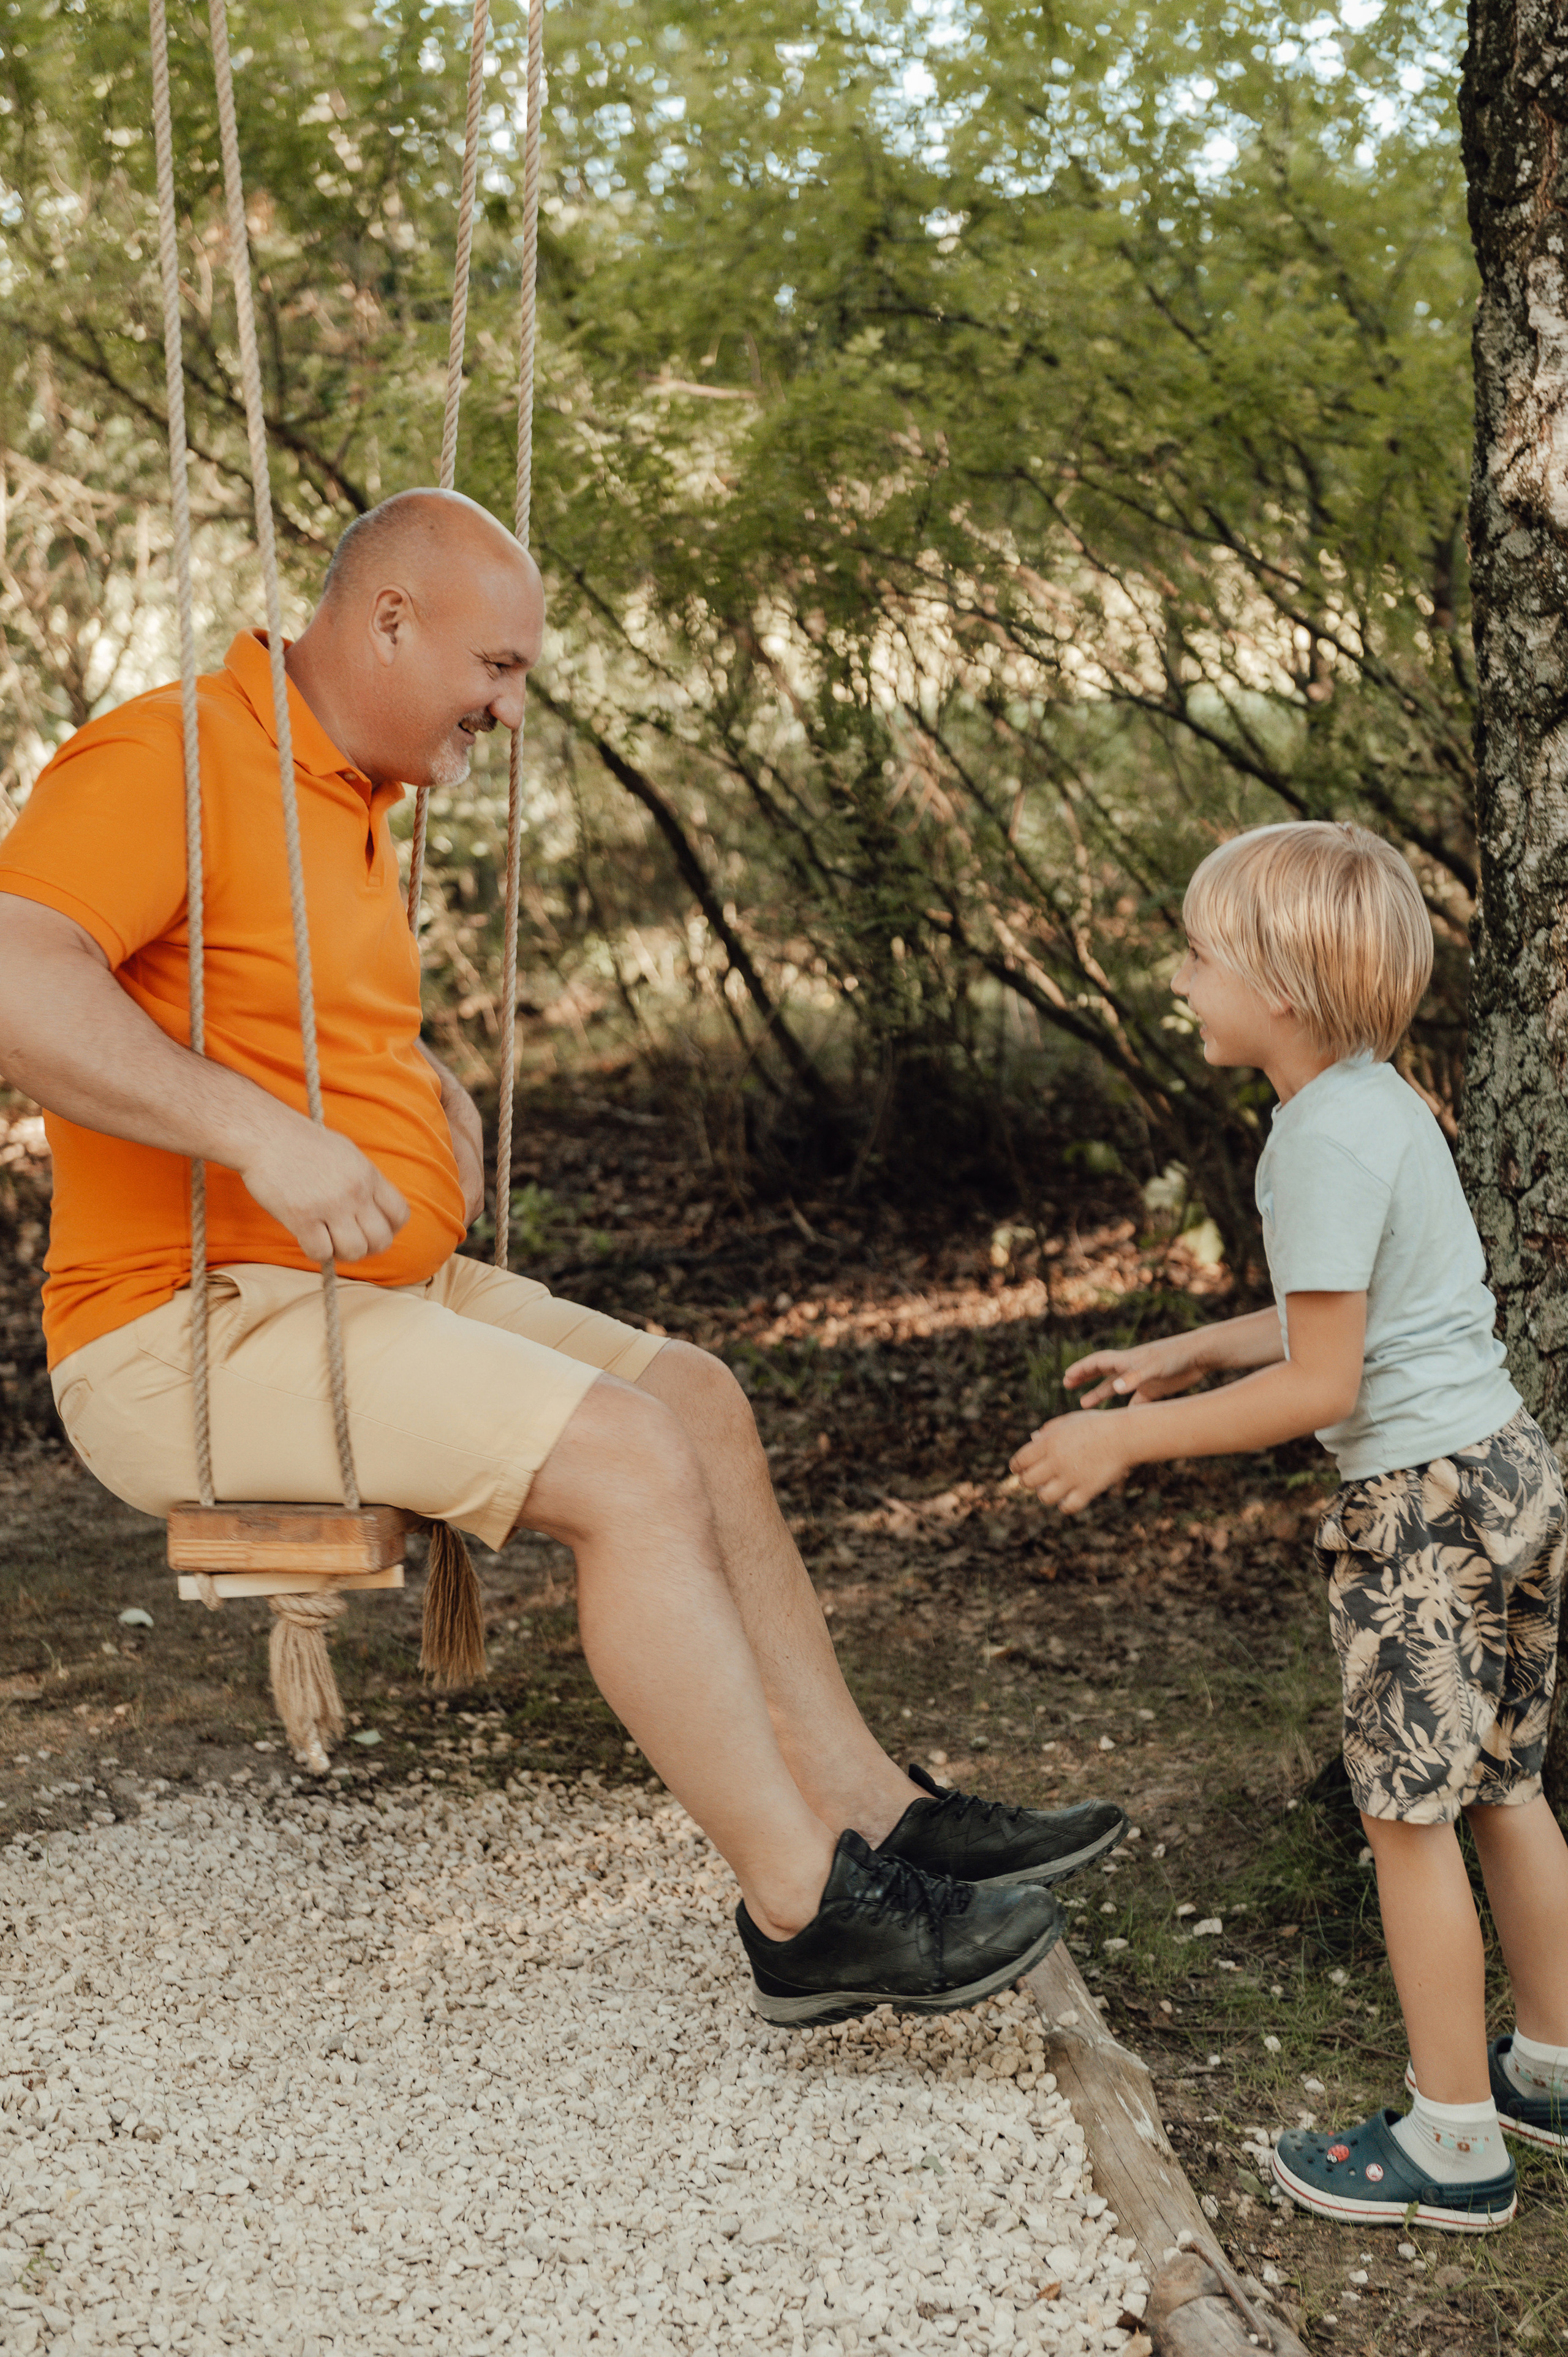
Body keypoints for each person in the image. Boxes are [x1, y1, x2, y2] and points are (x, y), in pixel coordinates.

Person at [0, 486, 1128, 2026]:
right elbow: (19, 977)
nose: (509, 711)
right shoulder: (171, 755)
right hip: (186, 1331)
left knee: (700, 1402)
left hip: (354, 1286)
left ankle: (876, 1815)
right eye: (501, 667)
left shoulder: (337, 792)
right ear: (389, 619)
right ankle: (808, 1916)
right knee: (628, 1461)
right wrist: (260, 1135)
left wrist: (410, 1094)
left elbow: (260, 1003)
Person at [1012, 819, 1568, 2231]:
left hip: (1420, 1513)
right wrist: (1187, 1351)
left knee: (1405, 1816)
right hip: (1504, 1473)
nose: (1178, 977)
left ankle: (1450, 2143)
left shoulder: (1315, 1138)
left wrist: (1121, 1437)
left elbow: (1322, 1381)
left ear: (1283, 978)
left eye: (1199, 953)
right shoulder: (1381, 1103)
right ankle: (1550, 2070)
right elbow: (1349, 1313)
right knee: (1503, 1788)